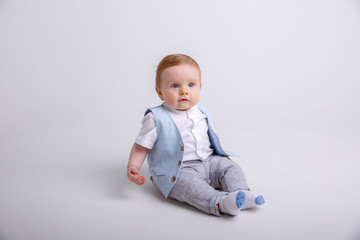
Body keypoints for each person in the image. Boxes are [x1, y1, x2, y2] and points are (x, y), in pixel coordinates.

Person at [127, 54, 265, 216]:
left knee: (231, 168)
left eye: (191, 84)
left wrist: (221, 155)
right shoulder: (156, 118)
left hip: (208, 160)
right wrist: (133, 166)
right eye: (175, 86)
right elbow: (141, 146)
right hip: (178, 171)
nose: (184, 91)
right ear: (160, 93)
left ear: (200, 87)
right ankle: (220, 202)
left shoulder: (201, 110)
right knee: (189, 186)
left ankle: (240, 192)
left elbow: (210, 136)